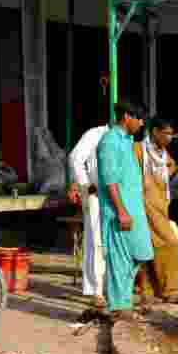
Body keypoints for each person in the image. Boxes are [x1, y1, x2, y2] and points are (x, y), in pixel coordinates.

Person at [97, 100, 153, 319]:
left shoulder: (128, 140)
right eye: (139, 119)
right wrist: (120, 210)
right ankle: (119, 307)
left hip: (134, 210)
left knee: (139, 255)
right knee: (119, 260)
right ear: (127, 117)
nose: (141, 124)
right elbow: (109, 180)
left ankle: (123, 303)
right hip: (119, 213)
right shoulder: (110, 141)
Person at [133, 117, 178, 305]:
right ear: (154, 132)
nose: (169, 138)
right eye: (166, 133)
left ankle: (149, 292)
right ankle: (171, 290)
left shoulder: (163, 154)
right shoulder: (138, 149)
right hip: (143, 205)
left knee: (150, 250)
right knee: (169, 242)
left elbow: (170, 167)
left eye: (171, 134)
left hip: (161, 207)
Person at [68, 121, 110, 308]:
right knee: (96, 241)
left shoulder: (126, 139)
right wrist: (85, 184)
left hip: (116, 196)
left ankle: (109, 287)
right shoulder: (96, 133)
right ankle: (97, 290)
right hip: (95, 194)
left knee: (111, 242)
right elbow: (76, 157)